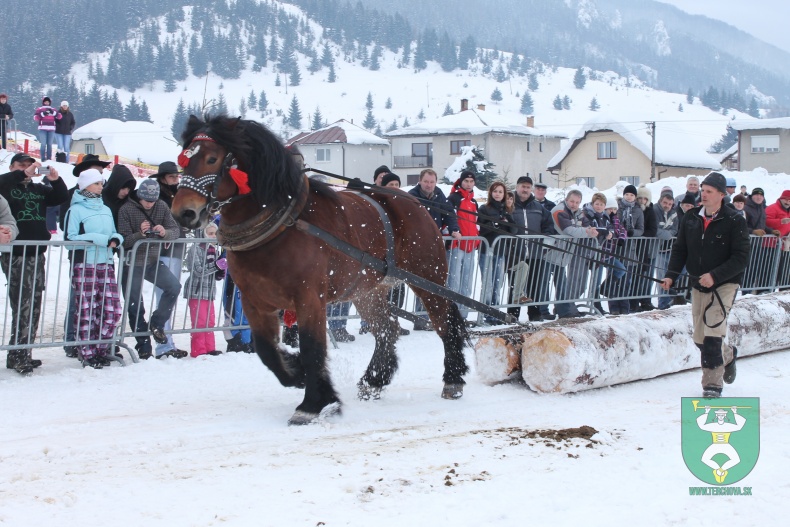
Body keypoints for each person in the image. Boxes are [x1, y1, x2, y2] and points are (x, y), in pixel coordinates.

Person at [661, 172, 749, 398]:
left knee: (711, 335)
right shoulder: (690, 217)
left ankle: (711, 386)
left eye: (709, 191)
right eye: (703, 190)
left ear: (722, 195)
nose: (704, 194)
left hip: (724, 284)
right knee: (700, 338)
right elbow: (680, 249)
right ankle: (727, 355)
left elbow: (741, 258)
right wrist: (671, 275)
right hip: (697, 282)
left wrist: (715, 275)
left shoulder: (735, 220)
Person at [0, 153, 67, 374]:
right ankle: (19, 352)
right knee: (23, 303)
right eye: (22, 165)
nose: (28, 169)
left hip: (37, 252)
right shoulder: (6, 185)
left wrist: (55, 179)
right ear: (12, 167)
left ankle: (21, 352)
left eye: (31, 165)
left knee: (34, 302)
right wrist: (22, 174)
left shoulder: (38, 189)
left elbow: (60, 197)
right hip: (17, 252)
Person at [63, 169, 124, 369]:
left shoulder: (105, 208)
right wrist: (96, 239)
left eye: (101, 183)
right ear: (86, 185)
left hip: (105, 261)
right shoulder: (75, 210)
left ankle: (101, 348)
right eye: (97, 183)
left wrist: (116, 239)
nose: (101, 187)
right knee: (87, 309)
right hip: (85, 263)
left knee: (112, 310)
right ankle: (87, 351)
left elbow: (114, 232)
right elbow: (69, 238)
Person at [117, 179, 183, 359]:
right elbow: (122, 240)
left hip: (152, 260)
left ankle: (157, 322)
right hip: (131, 262)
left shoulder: (161, 206)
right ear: (139, 197)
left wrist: (165, 232)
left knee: (174, 287)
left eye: (152, 201)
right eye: (147, 201)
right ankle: (143, 346)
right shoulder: (126, 210)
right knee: (135, 305)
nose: (150, 204)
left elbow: (175, 230)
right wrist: (140, 234)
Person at [60, 153, 111, 358]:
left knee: (102, 305)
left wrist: (112, 239)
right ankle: (73, 341)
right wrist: (97, 238)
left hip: (103, 256)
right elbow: (70, 231)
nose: (100, 175)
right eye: (96, 170)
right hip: (82, 257)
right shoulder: (74, 198)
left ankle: (99, 344)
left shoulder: (102, 200)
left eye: (101, 171)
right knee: (80, 303)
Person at [407, 168, 460, 330]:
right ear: (420, 181)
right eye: (426, 182)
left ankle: (431, 317)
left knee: (434, 282)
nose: (429, 185)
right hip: (415, 246)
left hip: (433, 246)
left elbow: (449, 213)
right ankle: (420, 318)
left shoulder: (439, 195)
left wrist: (454, 228)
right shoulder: (411, 196)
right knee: (419, 282)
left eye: (432, 182)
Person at [359, 172, 410, 336]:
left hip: (396, 256)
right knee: (371, 293)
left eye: (397, 185)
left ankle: (393, 320)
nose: (394, 189)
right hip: (378, 257)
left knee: (396, 293)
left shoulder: (403, 205)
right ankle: (369, 322)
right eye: (391, 185)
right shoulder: (375, 204)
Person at [148, 161, 189, 358]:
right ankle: (163, 344)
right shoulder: (159, 197)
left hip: (175, 249)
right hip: (162, 251)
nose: (175, 179)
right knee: (164, 297)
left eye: (176, 176)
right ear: (163, 177)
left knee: (169, 297)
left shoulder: (178, 194)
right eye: (172, 176)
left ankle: (167, 342)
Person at [510, 176, 556, 322]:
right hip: (516, 253)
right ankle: (512, 315)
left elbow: (548, 224)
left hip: (535, 253)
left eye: (528, 187)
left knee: (534, 285)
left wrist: (546, 237)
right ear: (517, 187)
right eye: (523, 186)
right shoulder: (510, 205)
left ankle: (535, 314)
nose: (525, 190)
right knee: (514, 286)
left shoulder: (538, 207)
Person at [549, 189, 599, 318]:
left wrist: (589, 230)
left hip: (564, 252)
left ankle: (565, 309)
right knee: (544, 283)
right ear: (566, 200)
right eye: (572, 201)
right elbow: (568, 230)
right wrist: (587, 232)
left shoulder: (578, 213)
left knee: (562, 283)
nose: (574, 204)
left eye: (577, 202)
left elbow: (587, 226)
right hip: (550, 250)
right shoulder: (559, 210)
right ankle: (544, 311)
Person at [477, 181, 518, 324]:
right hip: (486, 251)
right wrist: (496, 224)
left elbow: (513, 230)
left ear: (504, 194)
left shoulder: (506, 210)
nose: (497, 194)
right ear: (490, 193)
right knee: (488, 284)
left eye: (500, 192)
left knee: (497, 284)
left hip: (501, 252)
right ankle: (487, 313)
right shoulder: (484, 208)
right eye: (495, 191)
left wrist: (506, 219)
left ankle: (496, 312)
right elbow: (482, 228)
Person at [183, 223, 224, 357]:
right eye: (210, 233)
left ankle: (210, 348)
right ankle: (198, 350)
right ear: (203, 234)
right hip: (197, 290)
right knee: (199, 322)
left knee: (210, 321)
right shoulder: (196, 248)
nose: (213, 237)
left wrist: (220, 270)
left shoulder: (214, 250)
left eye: (215, 234)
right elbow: (198, 270)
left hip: (209, 292)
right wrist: (216, 265)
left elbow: (215, 273)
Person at [446, 170, 481, 320]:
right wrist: (454, 232)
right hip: (456, 245)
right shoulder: (454, 198)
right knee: (454, 281)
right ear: (461, 182)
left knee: (467, 282)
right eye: (466, 181)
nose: (468, 184)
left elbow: (476, 224)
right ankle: (452, 315)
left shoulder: (474, 201)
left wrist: (477, 239)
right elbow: (449, 219)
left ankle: (463, 316)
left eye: (471, 181)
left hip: (470, 246)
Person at [582, 193, 616, 315]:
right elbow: (592, 229)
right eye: (597, 204)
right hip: (588, 251)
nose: (599, 206)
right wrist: (604, 232)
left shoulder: (605, 217)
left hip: (601, 252)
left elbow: (610, 229)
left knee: (597, 279)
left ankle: (597, 303)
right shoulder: (587, 214)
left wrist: (610, 233)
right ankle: (570, 304)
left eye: (601, 204)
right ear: (592, 204)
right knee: (581, 283)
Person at [617, 184, 644, 313]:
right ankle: (614, 306)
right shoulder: (618, 207)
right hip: (616, 246)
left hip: (630, 248)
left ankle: (624, 306)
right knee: (615, 277)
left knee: (626, 280)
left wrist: (633, 233)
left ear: (635, 197)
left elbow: (641, 229)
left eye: (632, 195)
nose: (629, 197)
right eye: (627, 194)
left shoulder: (638, 210)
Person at [631, 186, 657, 312]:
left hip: (642, 248)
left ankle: (636, 302)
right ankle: (629, 302)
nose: (642, 201)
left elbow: (653, 230)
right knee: (629, 275)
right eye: (639, 198)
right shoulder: (633, 209)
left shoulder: (650, 211)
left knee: (639, 276)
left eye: (644, 199)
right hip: (630, 247)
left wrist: (639, 234)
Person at [654, 192, 679, 309]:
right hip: (657, 249)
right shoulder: (655, 210)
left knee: (669, 276)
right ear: (660, 201)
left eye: (669, 204)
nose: (667, 205)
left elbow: (675, 229)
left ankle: (668, 300)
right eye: (665, 203)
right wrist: (667, 235)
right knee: (661, 277)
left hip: (669, 248)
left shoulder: (673, 213)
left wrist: (668, 234)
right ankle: (662, 302)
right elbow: (655, 228)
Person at [765, 189, 790, 288]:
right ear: (781, 199)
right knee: (769, 270)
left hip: (784, 246)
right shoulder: (773, 208)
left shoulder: (788, 210)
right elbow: (765, 221)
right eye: (786, 200)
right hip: (770, 245)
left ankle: (783, 288)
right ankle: (765, 289)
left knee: (783, 270)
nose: (788, 202)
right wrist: (780, 221)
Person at [33, 96, 61, 162]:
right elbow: (35, 118)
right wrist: (43, 114)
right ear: (43, 102)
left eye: (48, 102)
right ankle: (43, 159)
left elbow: (59, 116)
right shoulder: (39, 109)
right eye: (45, 102)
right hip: (42, 129)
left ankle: (49, 159)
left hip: (51, 129)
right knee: (43, 144)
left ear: (50, 102)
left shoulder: (53, 109)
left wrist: (53, 112)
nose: (46, 103)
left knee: (49, 144)